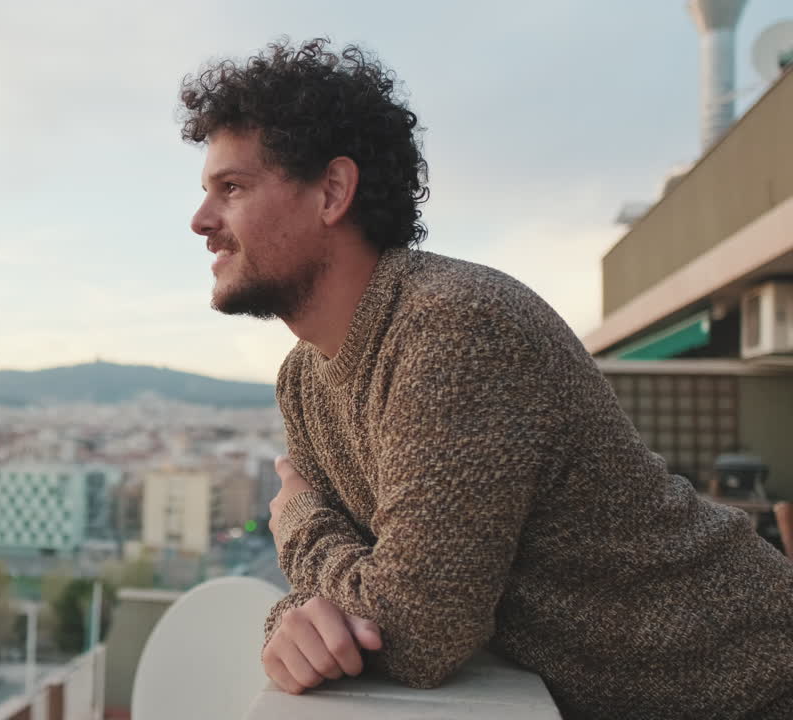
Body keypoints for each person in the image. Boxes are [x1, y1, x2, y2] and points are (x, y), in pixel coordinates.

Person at [181, 37, 793, 719]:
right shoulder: (302, 378)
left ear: (332, 192)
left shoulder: (453, 330)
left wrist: (296, 521)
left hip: (755, 689)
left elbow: (415, 631)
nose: (201, 221)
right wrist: (293, 620)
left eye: (231, 188)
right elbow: (353, 588)